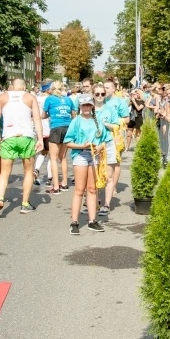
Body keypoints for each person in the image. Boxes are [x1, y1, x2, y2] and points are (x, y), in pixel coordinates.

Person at [0, 78, 44, 217]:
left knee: (4, 172)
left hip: (8, 137)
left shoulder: (3, 96)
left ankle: (0, 199)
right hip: (26, 137)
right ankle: (25, 204)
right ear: (24, 86)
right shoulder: (30, 97)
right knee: (28, 171)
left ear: (11, 86)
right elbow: (37, 119)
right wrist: (40, 139)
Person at [63, 93, 107, 234]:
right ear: (80, 107)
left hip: (94, 156)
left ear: (92, 106)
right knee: (79, 190)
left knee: (93, 189)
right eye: (84, 105)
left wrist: (99, 147)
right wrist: (82, 146)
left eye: (89, 105)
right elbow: (67, 142)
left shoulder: (97, 121)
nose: (86, 107)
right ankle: (74, 222)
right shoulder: (76, 121)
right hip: (81, 156)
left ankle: (92, 221)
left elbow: (104, 139)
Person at [93, 83, 121, 214]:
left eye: (102, 94)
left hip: (107, 144)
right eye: (97, 94)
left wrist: (106, 124)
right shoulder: (88, 108)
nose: (100, 96)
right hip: (93, 146)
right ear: (93, 95)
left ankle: (106, 204)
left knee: (108, 176)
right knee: (93, 176)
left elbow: (116, 126)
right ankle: (95, 202)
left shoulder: (110, 109)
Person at [44, 80, 75, 193]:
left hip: (56, 127)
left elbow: (43, 114)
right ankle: (65, 183)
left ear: (52, 88)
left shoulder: (50, 99)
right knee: (63, 157)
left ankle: (56, 186)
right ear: (63, 88)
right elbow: (73, 114)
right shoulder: (68, 99)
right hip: (67, 128)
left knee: (53, 158)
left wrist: (49, 114)